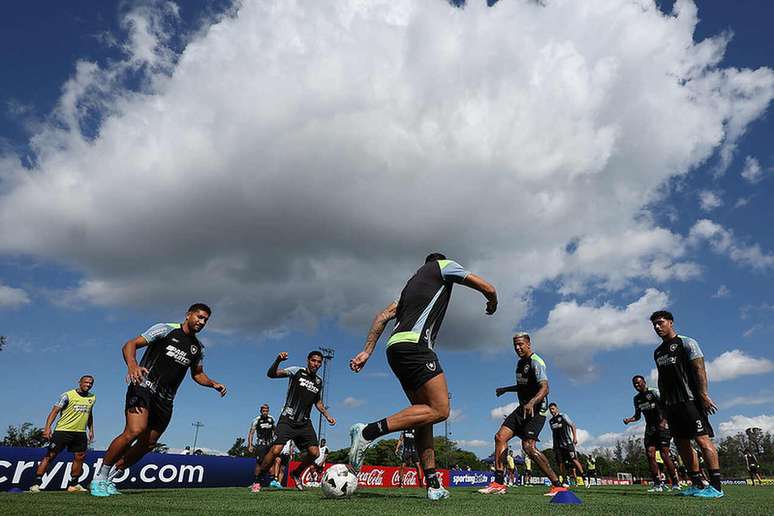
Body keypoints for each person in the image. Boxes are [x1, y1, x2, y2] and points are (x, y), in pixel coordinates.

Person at [348, 253, 497, 501]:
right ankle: (367, 433)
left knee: (423, 416)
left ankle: (433, 483)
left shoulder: (408, 291)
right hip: (416, 347)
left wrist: (366, 351)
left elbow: (381, 317)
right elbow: (486, 286)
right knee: (441, 410)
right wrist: (492, 299)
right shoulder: (442, 266)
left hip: (394, 349)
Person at [90, 303, 227, 497]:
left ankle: (111, 478)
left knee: (149, 443)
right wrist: (132, 365)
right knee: (134, 431)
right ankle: (99, 478)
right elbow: (130, 344)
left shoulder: (198, 348)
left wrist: (213, 383)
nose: (202, 321)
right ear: (188, 315)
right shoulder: (165, 329)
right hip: (144, 387)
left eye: (205, 319)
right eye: (199, 316)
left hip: (166, 399)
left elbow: (198, 374)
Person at [479, 333, 566, 496]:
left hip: (537, 410)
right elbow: (523, 386)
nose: (518, 348)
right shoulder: (520, 364)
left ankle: (557, 484)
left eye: (520, 344)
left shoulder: (536, 362)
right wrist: (506, 389)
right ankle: (498, 483)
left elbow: (545, 388)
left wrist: (532, 402)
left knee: (528, 447)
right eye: (515, 345)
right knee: (500, 437)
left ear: (528, 344)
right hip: (522, 409)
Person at [650, 310, 723, 498]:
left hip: (690, 400)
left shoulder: (687, 343)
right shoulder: (658, 352)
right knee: (682, 443)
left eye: (660, 322)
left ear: (671, 322)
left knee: (702, 440)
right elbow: (661, 380)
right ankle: (697, 484)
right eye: (654, 325)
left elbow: (699, 368)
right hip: (671, 405)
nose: (657, 327)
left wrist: (704, 395)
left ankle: (716, 487)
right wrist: (663, 406)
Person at [251, 351, 336, 493]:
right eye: (314, 360)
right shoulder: (296, 371)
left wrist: (327, 415)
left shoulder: (318, 381)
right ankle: (258, 480)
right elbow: (271, 374)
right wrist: (278, 360)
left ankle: (296, 473)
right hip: (288, 420)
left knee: (315, 453)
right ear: (308, 360)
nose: (316, 364)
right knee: (276, 450)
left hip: (304, 423)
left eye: (319, 362)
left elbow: (318, 402)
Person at [29, 375, 96, 493]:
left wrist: (91, 430)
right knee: (50, 456)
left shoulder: (92, 397)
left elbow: (89, 414)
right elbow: (54, 412)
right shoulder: (67, 395)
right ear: (79, 382)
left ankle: (73, 485)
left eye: (91, 383)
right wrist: (47, 428)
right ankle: (36, 484)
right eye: (86, 382)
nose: (88, 385)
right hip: (63, 431)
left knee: (79, 457)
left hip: (80, 433)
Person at [623, 375, 680, 492]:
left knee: (665, 455)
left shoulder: (654, 392)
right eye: (635, 384)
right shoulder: (637, 399)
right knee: (650, 455)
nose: (637, 386)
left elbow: (666, 406)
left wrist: (664, 421)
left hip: (662, 427)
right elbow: (638, 416)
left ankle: (675, 482)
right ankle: (657, 484)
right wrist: (629, 420)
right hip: (650, 429)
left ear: (644, 382)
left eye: (639, 383)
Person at [548, 403, 584, 487]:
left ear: (557, 408)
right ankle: (565, 480)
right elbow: (553, 433)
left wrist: (575, 438)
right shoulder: (551, 421)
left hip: (567, 443)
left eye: (553, 409)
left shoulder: (563, 416)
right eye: (550, 410)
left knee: (574, 459)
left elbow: (573, 425)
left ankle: (584, 477)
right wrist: (554, 445)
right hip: (558, 445)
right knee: (561, 463)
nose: (551, 411)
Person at [248, 404, 282, 491]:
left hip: (270, 444)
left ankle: (273, 482)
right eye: (263, 411)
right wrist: (250, 444)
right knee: (259, 463)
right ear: (261, 411)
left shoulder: (271, 419)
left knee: (271, 461)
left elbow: (275, 430)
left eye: (267, 411)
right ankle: (256, 483)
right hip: (261, 445)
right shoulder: (257, 420)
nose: (265, 412)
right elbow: (251, 433)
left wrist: (276, 440)